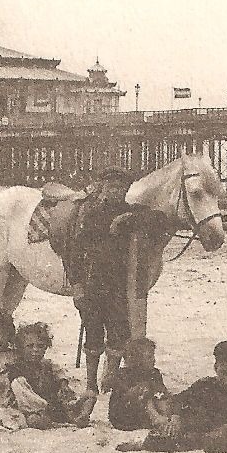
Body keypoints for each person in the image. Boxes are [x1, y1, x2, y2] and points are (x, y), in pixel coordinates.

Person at [118, 340, 227, 453]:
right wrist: (176, 417)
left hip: (207, 434)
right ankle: (144, 444)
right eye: (224, 372)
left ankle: (146, 444)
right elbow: (178, 400)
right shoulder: (205, 385)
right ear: (216, 368)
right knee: (164, 435)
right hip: (187, 425)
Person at [73, 167, 137, 392]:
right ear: (103, 189)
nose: (116, 192)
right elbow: (76, 253)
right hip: (93, 285)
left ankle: (109, 379)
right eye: (111, 187)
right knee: (94, 334)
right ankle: (90, 382)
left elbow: (156, 217)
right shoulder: (91, 216)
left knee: (119, 334)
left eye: (121, 187)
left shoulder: (130, 213)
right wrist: (77, 286)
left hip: (117, 287)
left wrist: (127, 217)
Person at [9, 323, 96, 429]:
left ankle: (82, 416)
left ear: (46, 347)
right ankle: (69, 418)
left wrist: (63, 385)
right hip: (38, 408)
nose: (35, 350)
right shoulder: (18, 368)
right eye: (30, 346)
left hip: (57, 405)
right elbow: (24, 395)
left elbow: (59, 373)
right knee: (34, 420)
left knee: (90, 395)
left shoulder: (47, 364)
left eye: (40, 346)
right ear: (21, 348)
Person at [104, 338, 168, 431]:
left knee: (160, 394)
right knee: (144, 389)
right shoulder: (124, 375)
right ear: (137, 359)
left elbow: (161, 392)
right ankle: (156, 417)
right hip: (123, 417)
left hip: (142, 414)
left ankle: (163, 416)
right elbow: (125, 397)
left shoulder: (154, 373)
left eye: (153, 356)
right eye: (149, 357)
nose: (154, 360)